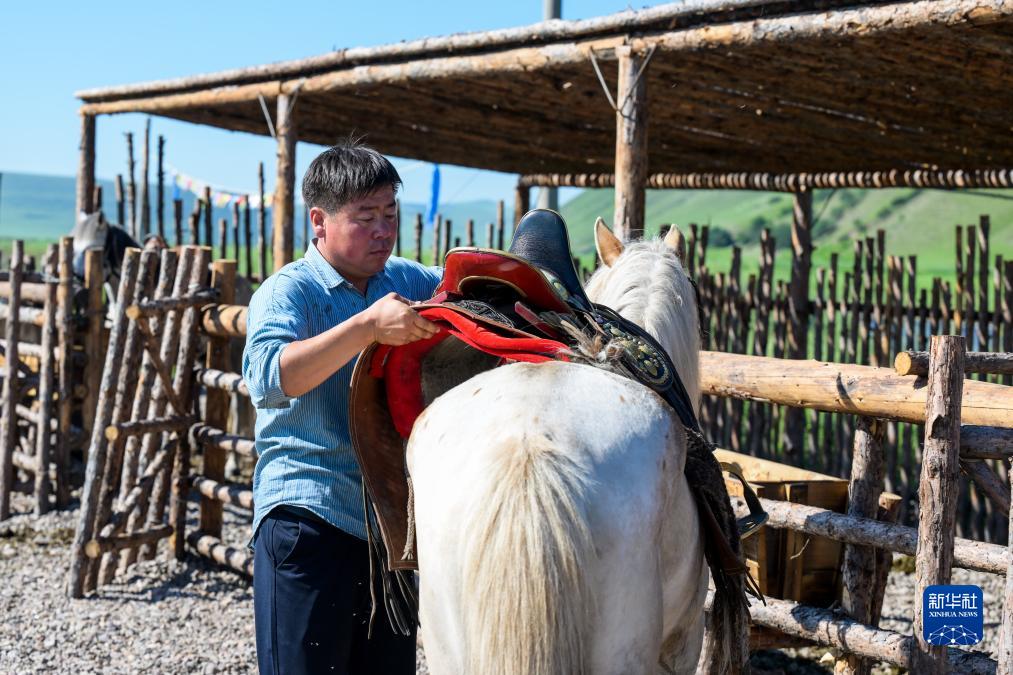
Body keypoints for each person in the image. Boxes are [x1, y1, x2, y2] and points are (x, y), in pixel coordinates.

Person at [243, 142, 441, 675]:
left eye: (390, 214)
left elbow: (467, 296)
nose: (383, 229)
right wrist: (367, 327)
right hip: (308, 515)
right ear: (319, 221)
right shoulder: (290, 292)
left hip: (389, 528)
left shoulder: (408, 282)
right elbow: (268, 378)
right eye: (365, 217)